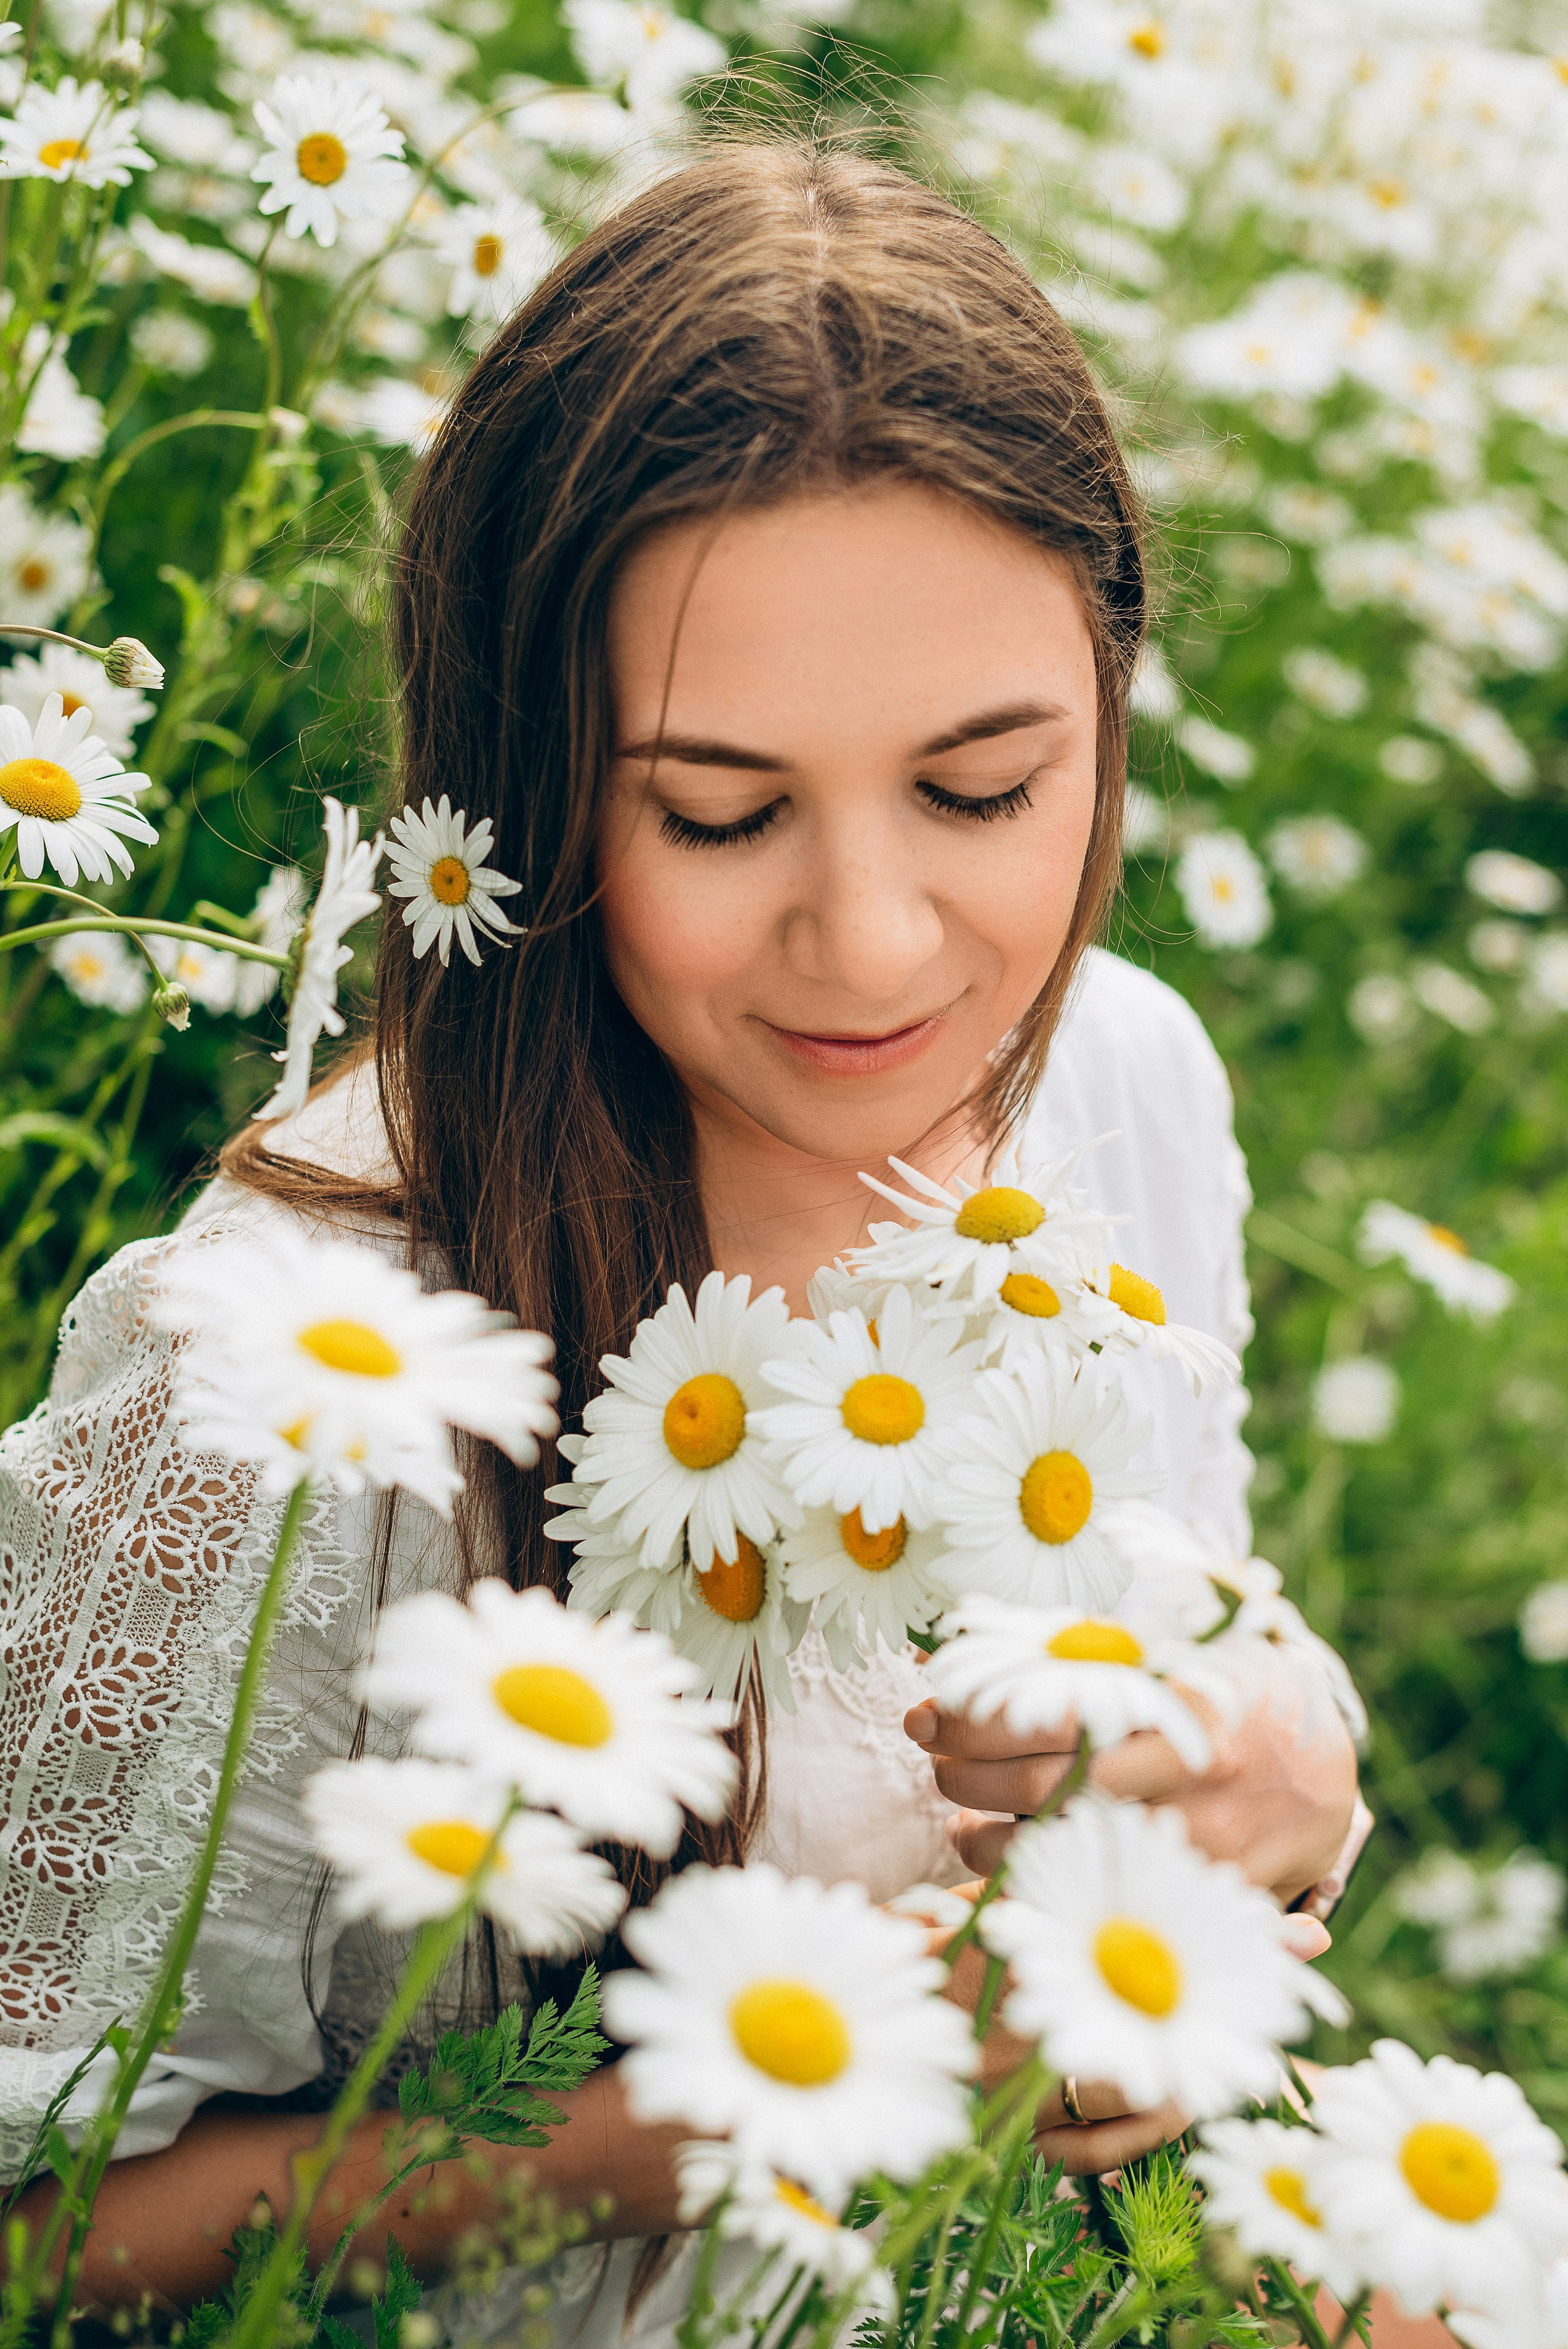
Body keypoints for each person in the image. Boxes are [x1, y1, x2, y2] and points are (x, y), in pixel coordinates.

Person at [0, 138, 1360, 2339]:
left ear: (1117, 689)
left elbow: (1185, 1605)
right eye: (720, 811)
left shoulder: (1117, 1082)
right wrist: (674, 2127)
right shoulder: (279, 1374)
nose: (876, 940)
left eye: (986, 786)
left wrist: (1276, 1788)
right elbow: (37, 2231)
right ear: (533, 794)